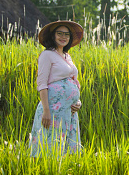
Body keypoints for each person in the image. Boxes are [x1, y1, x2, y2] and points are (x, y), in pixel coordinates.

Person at [29, 20, 84, 157]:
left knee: (66, 149)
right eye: (60, 33)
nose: (63, 37)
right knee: (49, 146)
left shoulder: (67, 57)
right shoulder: (47, 55)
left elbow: (74, 82)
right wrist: (46, 111)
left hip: (68, 112)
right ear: (53, 35)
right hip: (52, 109)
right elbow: (42, 84)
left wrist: (77, 102)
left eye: (66, 34)